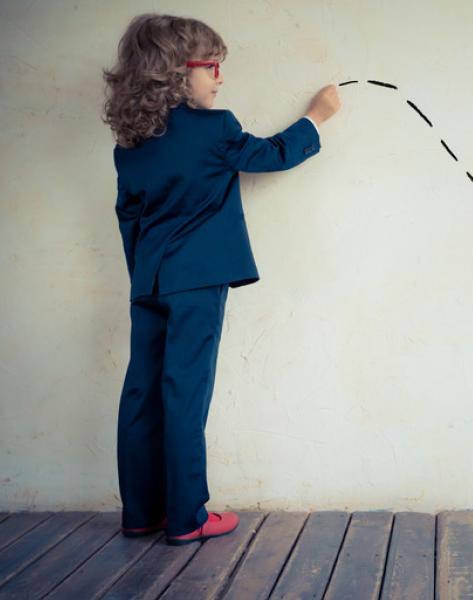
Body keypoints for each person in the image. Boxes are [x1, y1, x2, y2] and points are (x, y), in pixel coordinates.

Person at [101, 13, 341, 545]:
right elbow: (271, 155)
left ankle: (141, 512)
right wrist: (317, 118)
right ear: (176, 72)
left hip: (149, 282)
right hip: (197, 283)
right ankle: (187, 516)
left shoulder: (131, 145)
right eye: (212, 67)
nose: (220, 78)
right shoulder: (215, 129)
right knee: (184, 393)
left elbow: (128, 217)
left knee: (142, 391)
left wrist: (145, 277)